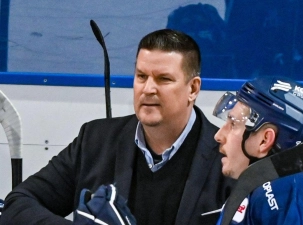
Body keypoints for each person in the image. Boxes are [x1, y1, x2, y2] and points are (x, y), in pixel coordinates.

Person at [0, 29, 235, 225]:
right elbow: (18, 203)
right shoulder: (94, 141)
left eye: (164, 79)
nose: (148, 89)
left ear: (193, 89)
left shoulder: (228, 154)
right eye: (141, 76)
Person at [212, 76, 303, 224]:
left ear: (265, 140)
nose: (219, 136)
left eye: (233, 124)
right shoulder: (263, 188)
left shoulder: (290, 191)